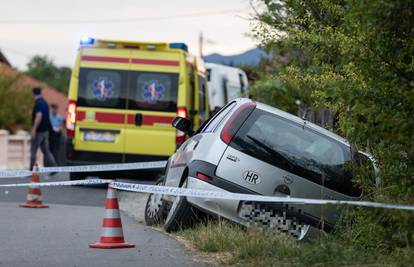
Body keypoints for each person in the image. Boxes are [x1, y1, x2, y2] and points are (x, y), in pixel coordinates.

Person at [30, 87, 57, 169]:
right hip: (46, 131)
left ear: (33, 94)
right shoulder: (45, 103)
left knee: (33, 150)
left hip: (39, 131)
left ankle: (31, 170)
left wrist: (34, 129)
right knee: (46, 151)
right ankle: (54, 167)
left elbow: (39, 116)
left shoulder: (38, 103)